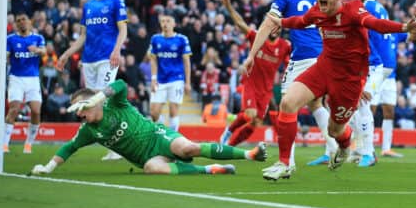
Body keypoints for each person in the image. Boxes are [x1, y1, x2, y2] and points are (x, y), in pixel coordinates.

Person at [246, 0, 416, 180]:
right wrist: (282, 22)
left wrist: (404, 27)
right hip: (324, 67)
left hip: (349, 79)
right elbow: (303, 21)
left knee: (335, 130)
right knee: (288, 102)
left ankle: (345, 145)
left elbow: (375, 23)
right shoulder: (318, 10)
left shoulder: (353, 10)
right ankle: (285, 163)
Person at [31, 80, 267, 176]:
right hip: (146, 157)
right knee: (153, 169)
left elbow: (121, 84)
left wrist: (98, 96)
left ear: (92, 102)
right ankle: (212, 169)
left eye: (79, 107)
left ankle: (250, 154)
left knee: (189, 148)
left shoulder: (114, 102)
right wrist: (48, 167)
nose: (78, 114)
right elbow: (68, 149)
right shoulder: (88, 131)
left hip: (158, 137)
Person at [244, 0, 338, 169]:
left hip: (303, 56)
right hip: (324, 55)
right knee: (315, 104)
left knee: (288, 104)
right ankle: (333, 148)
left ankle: (287, 161)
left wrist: (252, 54)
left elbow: (268, 23)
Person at [56, 0, 128, 161]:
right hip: (88, 60)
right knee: (93, 99)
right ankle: (110, 141)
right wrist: (66, 54)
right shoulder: (88, 6)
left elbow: (123, 30)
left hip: (107, 58)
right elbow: (83, 37)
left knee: (102, 97)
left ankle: (117, 145)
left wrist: (117, 50)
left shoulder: (116, 2)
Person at [350, 0, 414, 167]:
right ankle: (361, 148)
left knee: (363, 104)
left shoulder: (365, 7)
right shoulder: (380, 7)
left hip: (375, 63)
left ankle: (365, 150)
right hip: (383, 64)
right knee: (361, 104)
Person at [219, 0, 291, 146]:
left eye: (275, 25)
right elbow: (240, 23)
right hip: (251, 83)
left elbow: (291, 61)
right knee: (250, 114)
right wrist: (229, 6)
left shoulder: (285, 46)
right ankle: (228, 132)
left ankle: (230, 146)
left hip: (266, 89)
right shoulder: (257, 37)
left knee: (256, 122)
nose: (272, 28)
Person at [5, 12, 47, 153]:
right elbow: (5, 56)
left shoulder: (37, 38)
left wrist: (37, 50)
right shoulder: (10, 39)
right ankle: (4, 144)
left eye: (24, 19)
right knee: (14, 109)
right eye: (18, 20)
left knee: (36, 111)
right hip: (16, 78)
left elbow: (45, 51)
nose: (21, 22)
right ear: (16, 24)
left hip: (33, 79)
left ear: (29, 22)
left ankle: (28, 144)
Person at [148, 13, 192, 132]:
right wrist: (153, 78)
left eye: (168, 21)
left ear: (174, 24)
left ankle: (173, 138)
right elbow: (153, 59)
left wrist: (188, 82)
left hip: (176, 79)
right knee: (154, 112)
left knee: (173, 110)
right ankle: (163, 132)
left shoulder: (182, 39)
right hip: (160, 80)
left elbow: (186, 62)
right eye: (162, 21)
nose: (165, 24)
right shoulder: (155, 39)